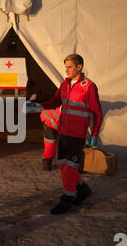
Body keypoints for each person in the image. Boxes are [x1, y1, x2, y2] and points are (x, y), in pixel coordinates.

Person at [41, 54, 102, 214]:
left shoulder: (88, 86)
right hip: (63, 131)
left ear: (79, 67)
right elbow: (54, 102)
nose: (66, 70)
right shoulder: (64, 84)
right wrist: (37, 105)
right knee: (62, 165)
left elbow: (97, 112)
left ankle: (66, 199)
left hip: (77, 135)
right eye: (66, 66)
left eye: (70, 66)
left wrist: (94, 133)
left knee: (69, 168)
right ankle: (82, 188)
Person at [40, 106, 62, 171]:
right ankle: (46, 163)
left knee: (52, 142)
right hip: (48, 119)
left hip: (53, 118)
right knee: (50, 142)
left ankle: (47, 163)